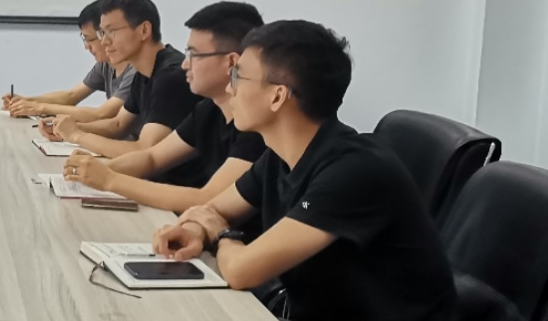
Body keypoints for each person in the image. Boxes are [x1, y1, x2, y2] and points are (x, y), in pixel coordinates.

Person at [152, 20, 457, 321]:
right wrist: (194, 231)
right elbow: (212, 209)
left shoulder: (353, 171)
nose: (230, 88)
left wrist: (220, 233)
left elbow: (240, 271)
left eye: (237, 76)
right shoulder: (281, 156)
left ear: (277, 96)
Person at [63, 1, 267, 212]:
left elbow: (208, 199)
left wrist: (109, 179)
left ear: (231, 62)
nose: (185, 64)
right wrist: (98, 169)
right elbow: (152, 158)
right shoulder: (208, 109)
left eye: (194, 55)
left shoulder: (256, 126)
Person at [46, 0, 201, 178]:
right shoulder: (143, 72)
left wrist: (77, 135)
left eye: (111, 32)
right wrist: (68, 128)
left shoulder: (171, 76)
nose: (104, 42)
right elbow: (118, 125)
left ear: (144, 30)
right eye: (102, 33)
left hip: (177, 186)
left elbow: (145, 150)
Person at [2, 0, 135, 123]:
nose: (86, 47)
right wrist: (26, 101)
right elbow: (71, 96)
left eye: (89, 39)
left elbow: (102, 114)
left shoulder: (135, 71)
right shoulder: (105, 65)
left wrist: (39, 108)